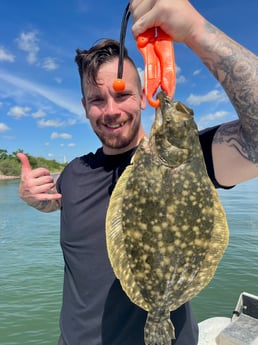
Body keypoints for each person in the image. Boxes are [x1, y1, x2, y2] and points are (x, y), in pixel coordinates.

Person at [17, 1, 258, 344]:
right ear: (85, 107)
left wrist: (195, 31)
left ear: (144, 97)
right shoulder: (74, 172)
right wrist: (31, 196)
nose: (111, 111)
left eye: (123, 95)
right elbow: (56, 201)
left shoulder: (194, 159)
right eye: (97, 100)